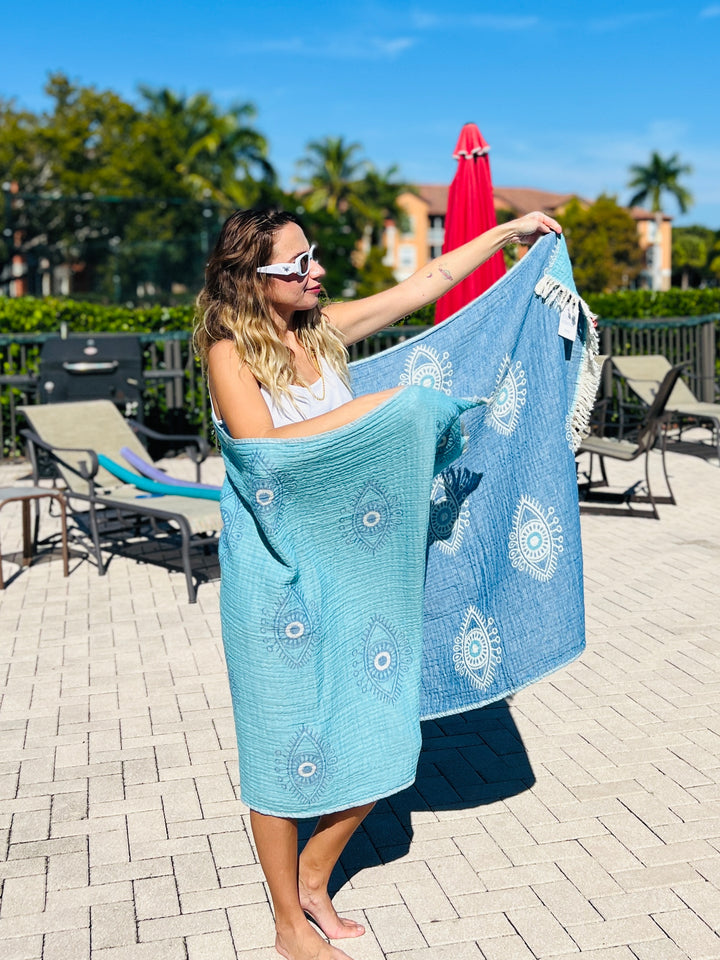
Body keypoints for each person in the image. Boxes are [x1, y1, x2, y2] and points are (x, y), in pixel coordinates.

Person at [194, 207, 561, 960]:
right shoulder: (229, 352)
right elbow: (261, 453)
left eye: (312, 258)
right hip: (274, 576)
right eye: (295, 267)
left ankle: (314, 880)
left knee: (387, 727)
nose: (314, 272)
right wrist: (380, 411)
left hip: (349, 570)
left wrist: (506, 235)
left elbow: (425, 282)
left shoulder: (323, 334)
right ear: (250, 279)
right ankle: (290, 927)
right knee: (281, 743)